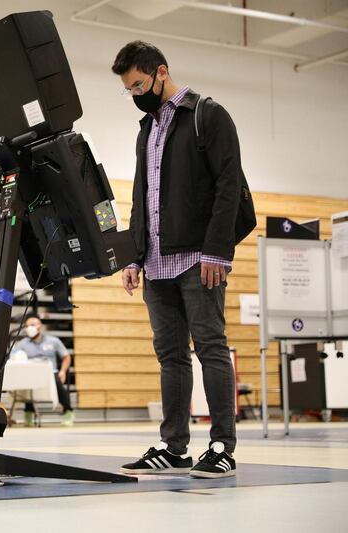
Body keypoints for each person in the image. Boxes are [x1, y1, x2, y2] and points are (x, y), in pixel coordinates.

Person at [112, 41, 249, 478]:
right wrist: (134, 256)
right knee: (170, 356)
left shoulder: (208, 115)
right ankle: (174, 447)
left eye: (138, 85)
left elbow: (229, 188)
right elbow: (141, 197)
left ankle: (222, 446)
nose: (135, 94)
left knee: (210, 348)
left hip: (199, 258)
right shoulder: (145, 131)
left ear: (161, 72)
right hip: (156, 263)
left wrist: (217, 251)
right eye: (129, 89)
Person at [12, 314, 74, 427]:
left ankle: (68, 411)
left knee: (57, 381)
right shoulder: (23, 343)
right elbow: (13, 355)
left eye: (32, 324)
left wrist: (63, 371)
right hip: (31, 373)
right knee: (26, 385)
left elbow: (66, 357)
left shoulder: (53, 341)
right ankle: (29, 413)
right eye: (27, 326)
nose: (30, 327)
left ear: (40, 326)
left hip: (51, 372)